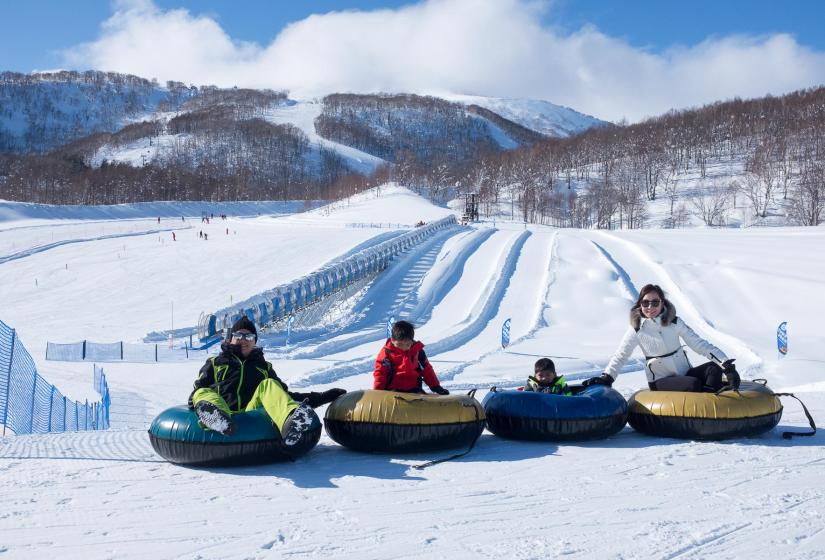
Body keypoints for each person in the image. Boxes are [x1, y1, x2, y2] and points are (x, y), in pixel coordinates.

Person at [188, 316, 346, 448]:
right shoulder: (216, 363)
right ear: (230, 339)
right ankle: (217, 418)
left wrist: (322, 397)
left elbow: (283, 397)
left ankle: (290, 423)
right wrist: (198, 400)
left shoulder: (263, 367)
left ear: (254, 342)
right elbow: (196, 393)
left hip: (251, 416)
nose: (244, 340)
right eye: (239, 335)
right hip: (225, 414)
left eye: (249, 336)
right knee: (202, 392)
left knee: (269, 384)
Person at [583, 284, 740, 392]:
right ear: (640, 304)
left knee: (714, 369)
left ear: (662, 303)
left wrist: (727, 366)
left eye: (654, 302)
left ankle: (715, 408)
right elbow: (621, 355)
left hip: (684, 373)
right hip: (660, 380)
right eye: (645, 303)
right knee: (693, 384)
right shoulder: (637, 329)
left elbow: (700, 345)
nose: (650, 307)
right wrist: (607, 377)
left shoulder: (674, 322)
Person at [373, 320, 449, 394]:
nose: (404, 348)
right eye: (400, 344)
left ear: (412, 341)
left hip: (414, 389)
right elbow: (380, 372)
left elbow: (426, 370)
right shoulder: (387, 353)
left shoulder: (417, 352)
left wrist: (436, 387)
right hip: (393, 390)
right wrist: (378, 392)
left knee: (420, 398)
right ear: (392, 340)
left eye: (407, 344)